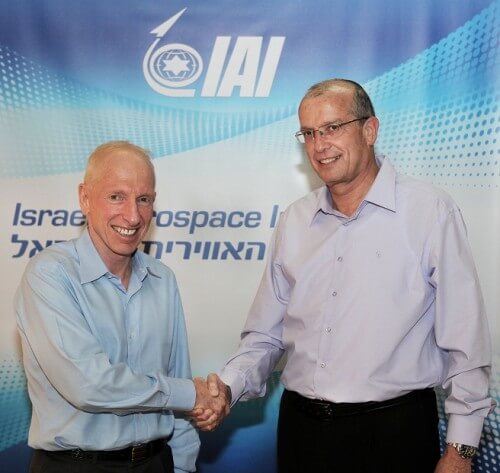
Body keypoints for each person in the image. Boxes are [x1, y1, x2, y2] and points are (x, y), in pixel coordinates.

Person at [196, 79, 494, 473]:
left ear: (369, 130)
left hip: (395, 434)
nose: (320, 145)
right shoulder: (295, 221)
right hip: (303, 433)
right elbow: (265, 336)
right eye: (309, 133)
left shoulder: (430, 211)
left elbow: (465, 340)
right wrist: (228, 388)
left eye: (333, 128)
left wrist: (461, 450)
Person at [15, 141, 229, 473]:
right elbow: (89, 385)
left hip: (156, 463)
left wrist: (184, 465)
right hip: (75, 466)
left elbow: (178, 380)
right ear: (85, 198)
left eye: (144, 199)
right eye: (116, 196)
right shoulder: (50, 274)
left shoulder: (162, 279)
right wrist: (191, 394)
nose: (133, 215)